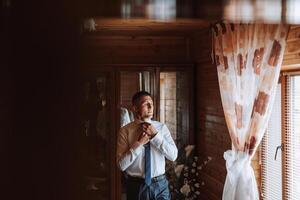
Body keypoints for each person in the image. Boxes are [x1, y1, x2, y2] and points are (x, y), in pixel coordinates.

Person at [116, 91, 178, 200]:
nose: (150, 107)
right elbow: (121, 165)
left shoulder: (161, 128)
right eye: (146, 104)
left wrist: (155, 136)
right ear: (135, 108)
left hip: (160, 185)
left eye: (152, 104)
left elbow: (173, 156)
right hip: (136, 186)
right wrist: (139, 144)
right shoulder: (125, 131)